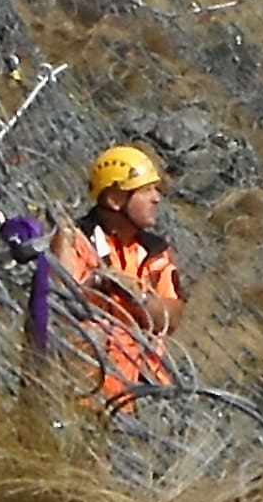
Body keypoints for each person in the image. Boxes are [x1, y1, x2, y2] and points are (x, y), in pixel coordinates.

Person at [51, 141, 184, 407]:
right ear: (114, 200)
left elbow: (172, 317)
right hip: (84, 394)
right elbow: (59, 301)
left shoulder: (154, 250)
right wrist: (97, 282)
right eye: (145, 191)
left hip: (143, 394)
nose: (156, 198)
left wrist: (139, 296)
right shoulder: (76, 240)